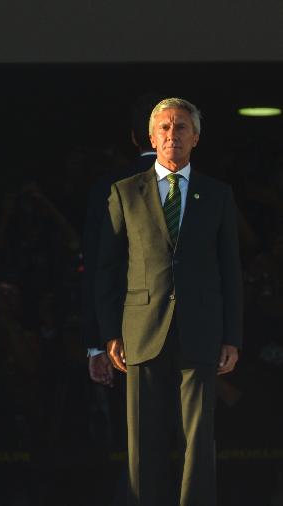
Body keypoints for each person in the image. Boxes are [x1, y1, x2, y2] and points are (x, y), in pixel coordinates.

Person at [95, 97, 243, 506]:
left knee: (198, 439)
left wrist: (232, 335)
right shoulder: (125, 192)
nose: (172, 135)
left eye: (181, 128)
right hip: (141, 329)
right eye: (164, 127)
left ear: (195, 137)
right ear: (151, 136)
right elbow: (107, 268)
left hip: (201, 328)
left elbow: (230, 270)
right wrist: (109, 333)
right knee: (143, 439)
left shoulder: (217, 194)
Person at [82, 93, 161, 387]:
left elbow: (96, 266)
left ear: (133, 137)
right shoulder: (202, 188)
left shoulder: (108, 188)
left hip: (124, 335)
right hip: (190, 336)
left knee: (130, 427)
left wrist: (97, 343)